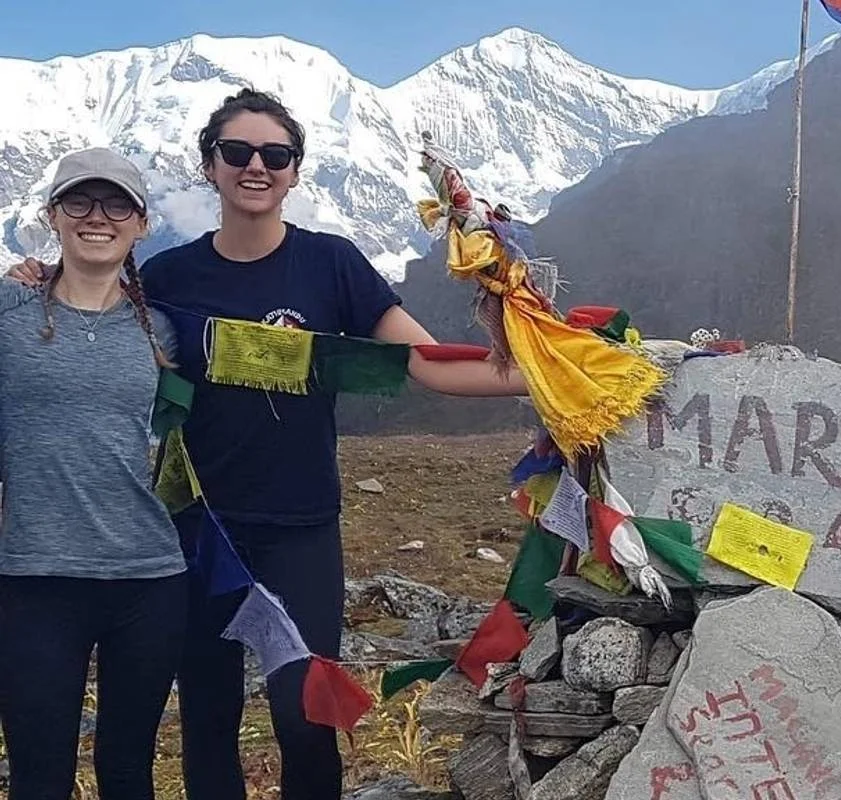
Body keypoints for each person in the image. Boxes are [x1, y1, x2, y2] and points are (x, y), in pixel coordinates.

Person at [13, 89, 531, 799]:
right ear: (210, 166)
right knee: (208, 716)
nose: (256, 166)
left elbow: (423, 360)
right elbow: (89, 311)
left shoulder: (331, 264)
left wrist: (556, 375)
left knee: (304, 713)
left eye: (275, 154)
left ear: (294, 170)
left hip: (300, 527)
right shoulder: (167, 277)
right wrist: (34, 283)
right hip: (198, 529)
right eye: (237, 152)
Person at [0, 148, 184, 797]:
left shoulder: (162, 332)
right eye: (78, 200)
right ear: (53, 215)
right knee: (38, 776)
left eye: (117, 204)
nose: (96, 217)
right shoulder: (8, 311)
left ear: (142, 223)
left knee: (129, 772)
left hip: (149, 580)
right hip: (34, 580)